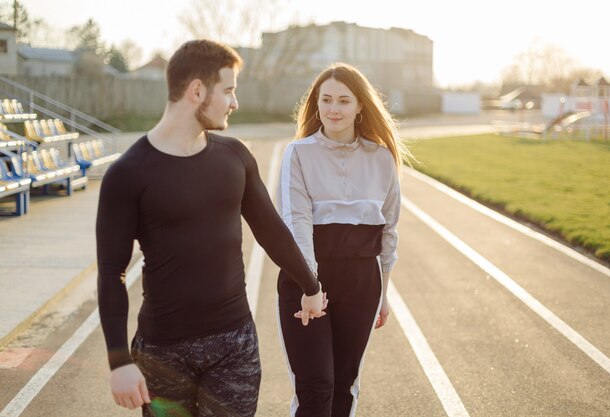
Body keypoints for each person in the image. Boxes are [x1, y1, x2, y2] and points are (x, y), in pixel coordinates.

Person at [96, 39, 325, 417]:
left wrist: (311, 286)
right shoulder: (128, 174)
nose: (235, 102)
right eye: (229, 90)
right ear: (197, 91)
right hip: (162, 354)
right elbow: (111, 271)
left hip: (233, 345)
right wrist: (119, 362)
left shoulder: (234, 157)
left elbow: (270, 231)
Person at [276, 63, 408, 417]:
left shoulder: (382, 158)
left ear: (360, 106)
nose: (334, 109)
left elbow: (389, 232)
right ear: (316, 105)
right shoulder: (298, 153)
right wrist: (310, 286)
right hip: (306, 280)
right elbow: (297, 222)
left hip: (362, 283)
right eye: (327, 100)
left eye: (344, 101)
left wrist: (383, 294)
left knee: (344, 383)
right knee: (315, 387)